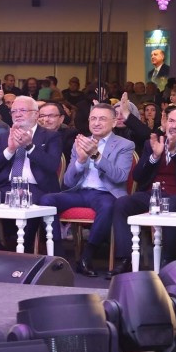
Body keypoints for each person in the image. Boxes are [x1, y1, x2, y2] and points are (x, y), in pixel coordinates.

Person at [109, 108, 176, 277]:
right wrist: (154, 157)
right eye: (171, 121)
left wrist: (175, 153)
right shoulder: (153, 142)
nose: (174, 126)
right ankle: (125, 259)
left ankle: (167, 260)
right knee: (122, 203)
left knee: (171, 204)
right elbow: (138, 176)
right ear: (165, 122)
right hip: (152, 195)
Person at [40, 104, 134, 274]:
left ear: (114, 122)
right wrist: (81, 161)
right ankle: (58, 255)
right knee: (47, 199)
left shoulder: (125, 145)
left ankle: (86, 257)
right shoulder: (80, 142)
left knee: (108, 206)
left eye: (102, 119)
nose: (96, 123)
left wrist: (96, 155)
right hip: (80, 192)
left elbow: (120, 176)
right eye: (93, 119)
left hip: (106, 193)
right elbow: (68, 181)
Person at [0, 96, 62, 251]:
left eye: (22, 110)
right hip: (7, 186)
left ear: (36, 114)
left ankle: (24, 250)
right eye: (14, 111)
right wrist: (10, 149)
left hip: (37, 188)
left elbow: (52, 166)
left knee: (29, 203)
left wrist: (29, 146)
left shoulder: (51, 136)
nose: (17, 114)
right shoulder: (5, 136)